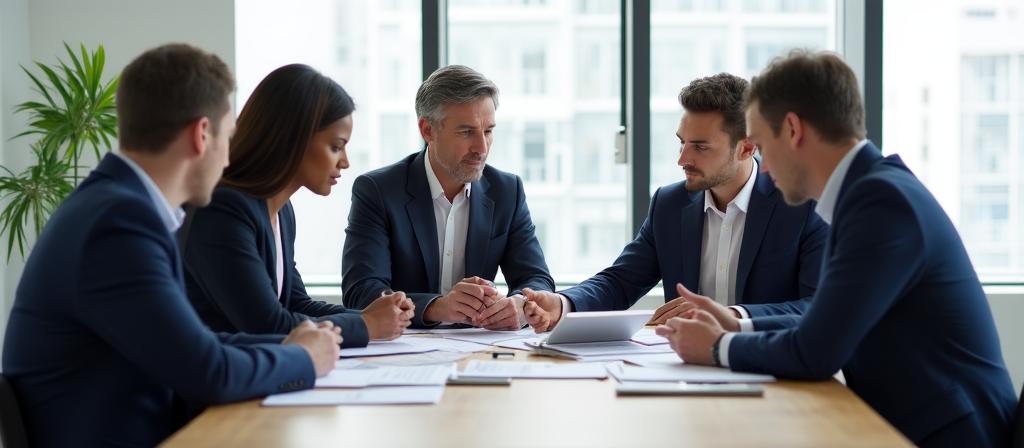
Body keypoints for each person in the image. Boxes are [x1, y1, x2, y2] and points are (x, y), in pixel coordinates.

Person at [656, 50, 1017, 447]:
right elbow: (824, 323)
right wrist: (736, 324)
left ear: (792, 130)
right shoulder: (870, 192)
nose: (760, 162)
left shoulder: (880, 203)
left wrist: (715, 346)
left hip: (947, 435)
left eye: (759, 143)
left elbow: (815, 352)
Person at [1, 44, 341, 447]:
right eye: (227, 137)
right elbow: (208, 371)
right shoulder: (119, 224)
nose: (229, 156)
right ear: (201, 135)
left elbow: (195, 341)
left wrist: (293, 342)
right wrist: (302, 358)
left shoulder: (119, 205)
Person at [523, 73, 825, 332]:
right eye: (682, 142)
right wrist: (562, 304)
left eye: (700, 147)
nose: (682, 159)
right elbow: (620, 282)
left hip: (773, 370)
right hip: (685, 369)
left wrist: (732, 317)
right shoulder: (669, 204)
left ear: (746, 147)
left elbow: (817, 307)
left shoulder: (803, 204)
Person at [180, 64, 413, 348]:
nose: (345, 162)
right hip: (217, 385)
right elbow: (267, 324)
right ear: (295, 137)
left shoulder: (281, 210)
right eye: (336, 146)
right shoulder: (223, 209)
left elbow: (294, 303)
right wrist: (366, 324)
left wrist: (372, 315)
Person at [342, 65, 554, 329]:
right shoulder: (378, 190)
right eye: (467, 132)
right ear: (428, 130)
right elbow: (360, 292)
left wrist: (520, 305)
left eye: (488, 131)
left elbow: (536, 278)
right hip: (404, 349)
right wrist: (436, 306)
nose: (482, 148)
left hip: (479, 349)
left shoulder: (507, 191)